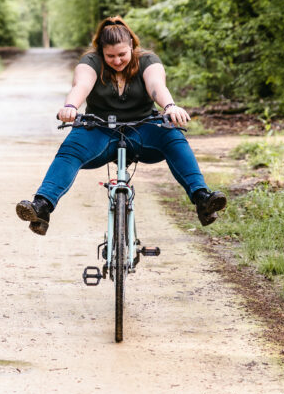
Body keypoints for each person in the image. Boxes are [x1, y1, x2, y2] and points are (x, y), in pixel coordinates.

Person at [16, 15, 226, 235]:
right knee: (71, 150)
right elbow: (82, 85)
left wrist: (170, 106)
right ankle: (42, 206)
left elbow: (156, 86)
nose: (117, 61)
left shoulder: (147, 60)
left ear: (132, 47)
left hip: (142, 130)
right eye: (110, 56)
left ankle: (202, 198)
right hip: (99, 131)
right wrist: (70, 106)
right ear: (101, 52)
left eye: (122, 55)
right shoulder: (91, 62)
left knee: (174, 137)